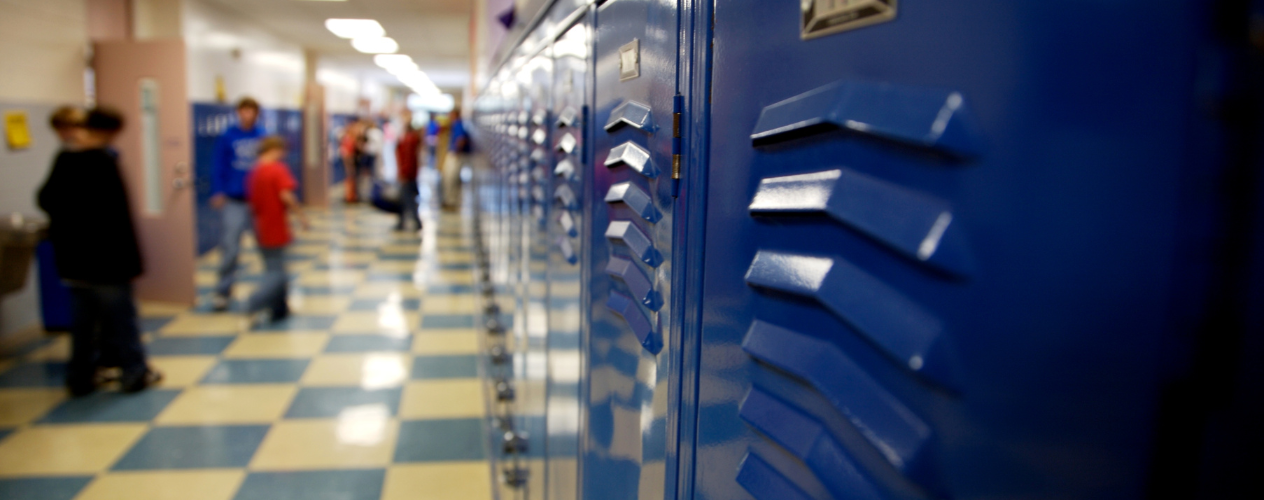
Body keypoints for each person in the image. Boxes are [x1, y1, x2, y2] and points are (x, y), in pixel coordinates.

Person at [37, 108, 161, 396]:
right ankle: (134, 373)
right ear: (110, 132)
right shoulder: (104, 161)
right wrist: (134, 262)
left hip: (74, 262)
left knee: (82, 325)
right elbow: (118, 219)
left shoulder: (64, 159)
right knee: (123, 321)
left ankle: (79, 378)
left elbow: (45, 199)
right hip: (109, 262)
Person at [244, 136, 307, 325]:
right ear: (275, 150)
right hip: (274, 225)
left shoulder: (254, 172)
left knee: (273, 267)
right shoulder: (277, 170)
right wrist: (301, 216)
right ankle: (253, 304)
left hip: (259, 225)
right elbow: (286, 195)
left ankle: (279, 308)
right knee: (277, 273)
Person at [209, 97, 264, 311]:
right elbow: (218, 164)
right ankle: (223, 293)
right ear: (238, 112)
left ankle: (270, 293)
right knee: (230, 248)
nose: (247, 115)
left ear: (256, 113)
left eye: (251, 111)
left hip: (258, 201)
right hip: (234, 199)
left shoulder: (262, 135)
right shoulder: (228, 136)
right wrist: (217, 190)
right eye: (244, 111)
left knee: (267, 248)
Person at [395, 110, 423, 231]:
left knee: (407, 199)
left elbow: (407, 159)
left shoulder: (408, 140)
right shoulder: (411, 139)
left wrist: (404, 173)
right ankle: (401, 222)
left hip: (408, 174)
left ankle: (415, 221)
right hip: (411, 173)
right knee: (404, 199)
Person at [442, 107, 470, 211]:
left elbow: (461, 139)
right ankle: (450, 201)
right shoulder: (455, 124)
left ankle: (451, 202)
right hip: (454, 154)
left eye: (450, 114)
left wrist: (456, 152)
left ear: (455, 114)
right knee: (450, 179)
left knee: (451, 178)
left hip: (455, 155)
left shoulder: (458, 124)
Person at [341, 120, 364, 203]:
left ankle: (352, 195)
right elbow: (346, 151)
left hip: (351, 159)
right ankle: (350, 196)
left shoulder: (352, 137)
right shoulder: (348, 138)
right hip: (349, 159)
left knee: (352, 177)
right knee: (350, 177)